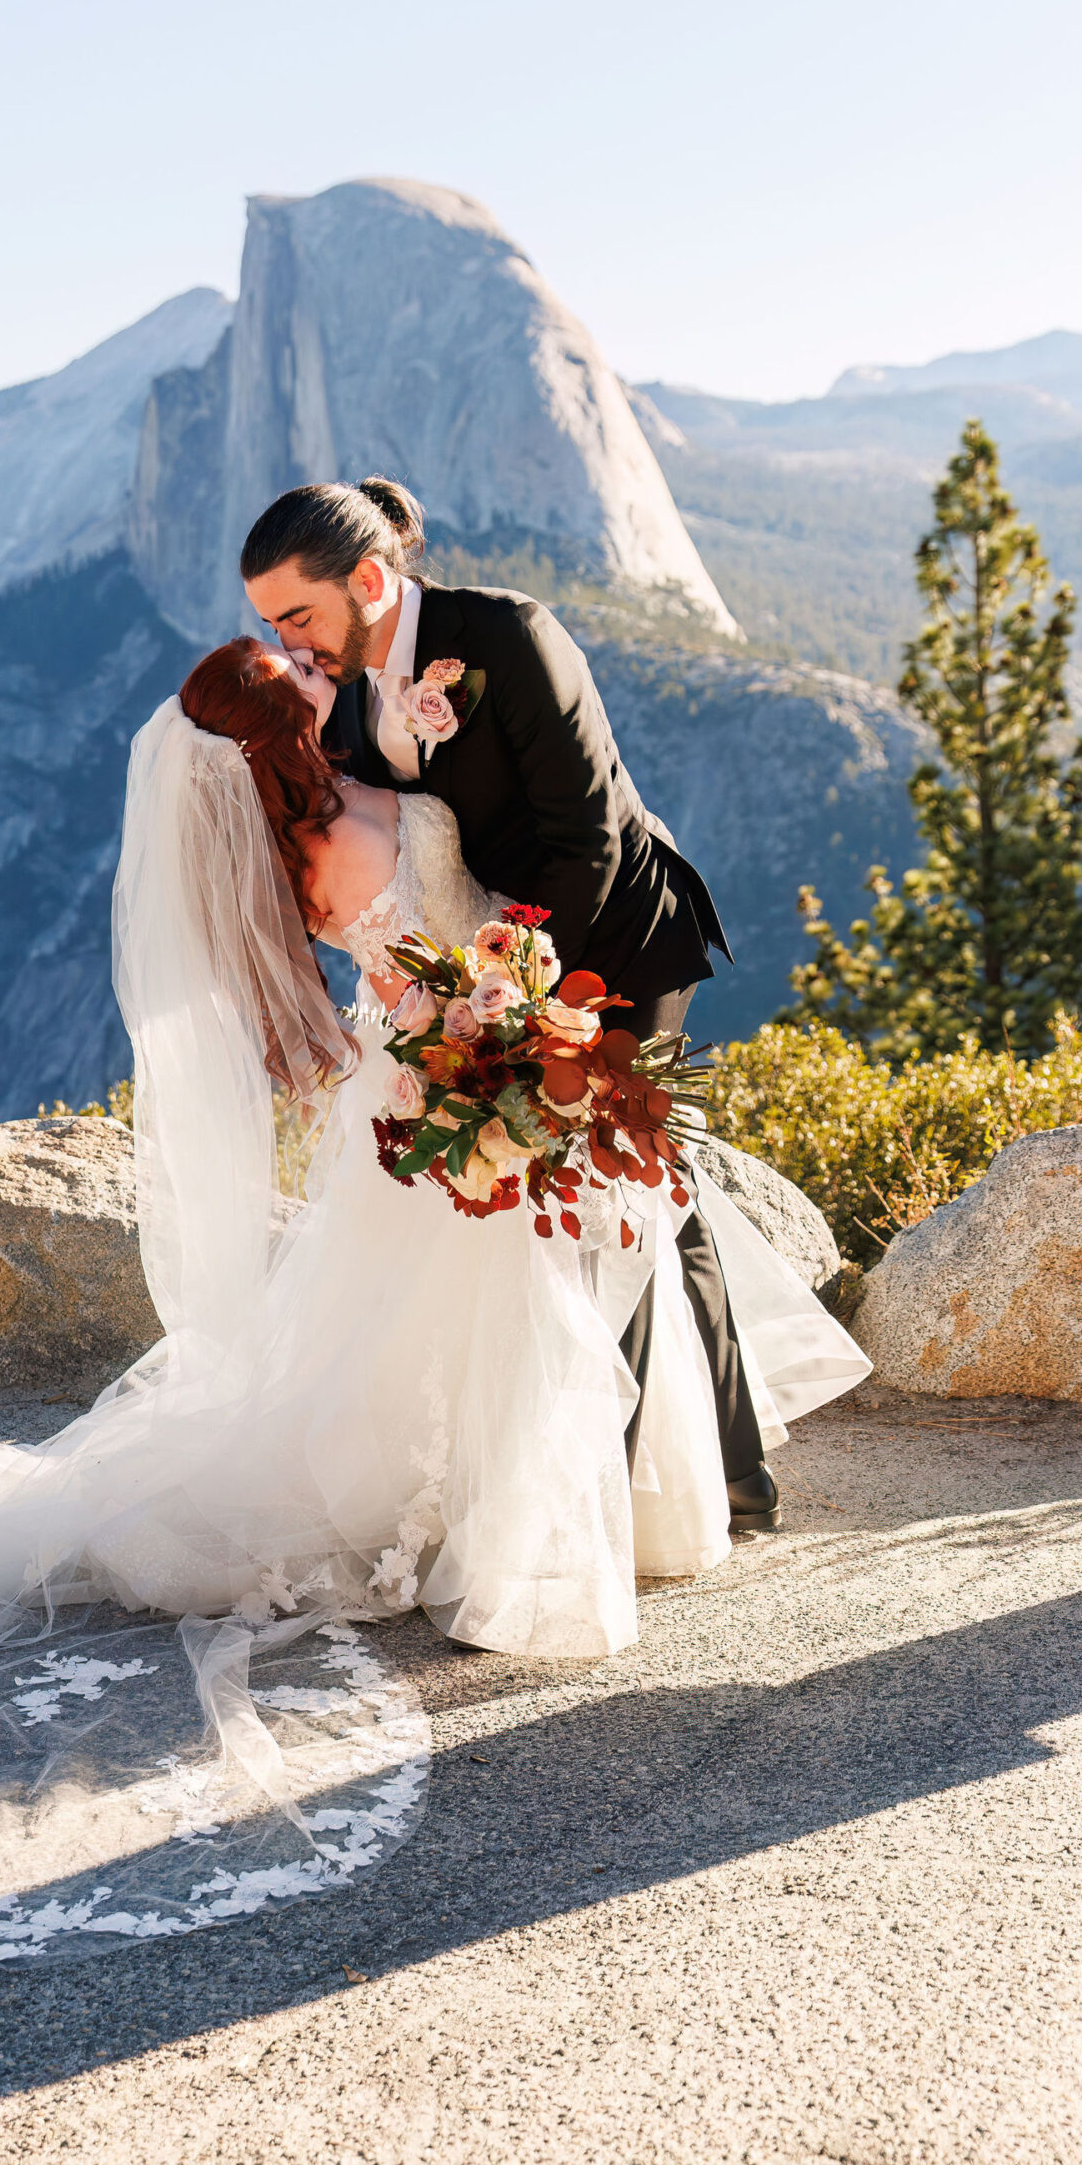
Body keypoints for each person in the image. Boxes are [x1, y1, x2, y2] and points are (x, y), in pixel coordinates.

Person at [0, 562, 866, 1998]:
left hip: (442, 1077)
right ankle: (526, 1524)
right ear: (277, 728)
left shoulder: (321, 818)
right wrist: (487, 1024)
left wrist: (481, 1010)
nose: (320, 672)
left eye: (301, 651)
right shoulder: (341, 837)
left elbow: (418, 938)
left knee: (466, 1325)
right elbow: (415, 957)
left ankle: (533, 1504)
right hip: (456, 1077)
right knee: (490, 1318)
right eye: (299, 675)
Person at [241, 476, 780, 1532]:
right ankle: (728, 1477)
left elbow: (594, 842)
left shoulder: (513, 637)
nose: (291, 643)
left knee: (613, 1197)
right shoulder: (346, 692)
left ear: (368, 577)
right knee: (657, 1206)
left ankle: (604, 1509)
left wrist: (536, 1003)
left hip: (616, 939)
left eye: (297, 616)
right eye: (270, 626)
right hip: (491, 971)